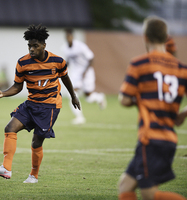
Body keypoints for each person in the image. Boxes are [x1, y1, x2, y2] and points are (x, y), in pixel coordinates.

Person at [0, 24, 81, 183]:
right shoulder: (23, 63)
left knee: (36, 141)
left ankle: (33, 175)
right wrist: (3, 93)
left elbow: (65, 78)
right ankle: (6, 168)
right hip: (31, 104)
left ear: (44, 45)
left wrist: (73, 96)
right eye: (29, 46)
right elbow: (18, 86)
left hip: (50, 107)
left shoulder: (57, 61)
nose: (31, 49)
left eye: (35, 46)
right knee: (10, 128)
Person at [118, 16, 187, 200]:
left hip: (152, 137)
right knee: (125, 185)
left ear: (145, 37)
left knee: (149, 194)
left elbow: (124, 100)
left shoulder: (139, 64)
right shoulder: (181, 69)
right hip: (168, 137)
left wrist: (138, 100)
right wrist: (182, 114)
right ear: (166, 38)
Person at [61, 28, 106, 125]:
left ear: (72, 36)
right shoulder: (65, 48)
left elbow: (91, 58)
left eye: (69, 36)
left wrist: (85, 72)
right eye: (66, 36)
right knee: (72, 93)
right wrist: (62, 69)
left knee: (89, 98)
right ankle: (79, 117)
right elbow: (68, 60)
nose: (68, 38)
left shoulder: (80, 46)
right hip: (76, 73)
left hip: (87, 72)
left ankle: (99, 98)